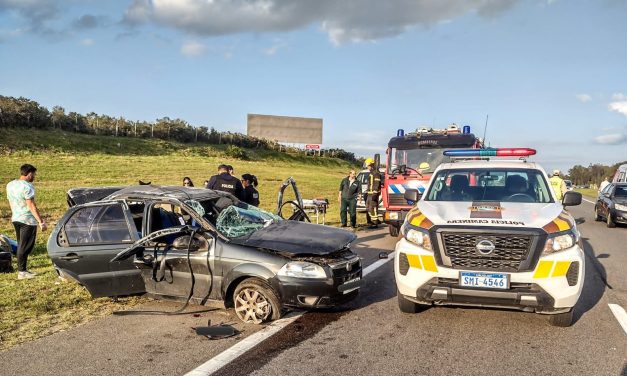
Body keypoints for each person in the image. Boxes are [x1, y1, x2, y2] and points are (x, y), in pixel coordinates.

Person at [6, 164, 47, 280]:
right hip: (27, 220)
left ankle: (23, 270)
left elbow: (10, 201)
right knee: (26, 246)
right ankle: (22, 272)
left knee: (21, 245)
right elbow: (31, 206)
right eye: (34, 174)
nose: (34, 176)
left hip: (16, 218)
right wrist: (41, 221)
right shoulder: (28, 187)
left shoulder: (10, 185)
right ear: (29, 174)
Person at [365, 158, 382, 228]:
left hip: (373, 194)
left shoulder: (376, 173)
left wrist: (375, 192)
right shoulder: (371, 173)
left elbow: (376, 183)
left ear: (371, 165)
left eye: (368, 166)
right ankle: (372, 221)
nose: (367, 167)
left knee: (373, 208)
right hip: (369, 193)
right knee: (368, 208)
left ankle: (375, 223)